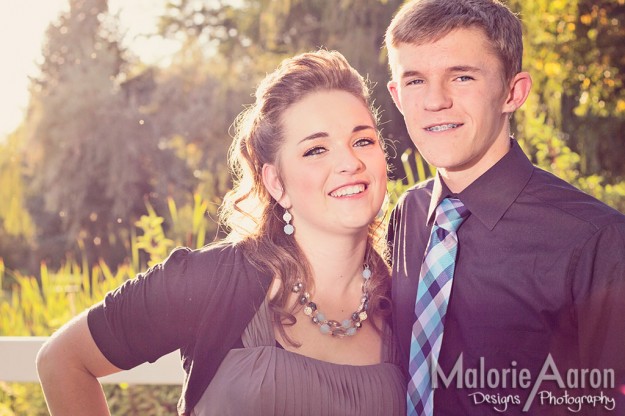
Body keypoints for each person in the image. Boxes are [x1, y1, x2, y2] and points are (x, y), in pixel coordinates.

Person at [36, 49, 407, 416]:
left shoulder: (411, 302)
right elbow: (63, 361)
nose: (349, 162)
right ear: (276, 183)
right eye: (316, 150)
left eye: (363, 141)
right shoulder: (210, 280)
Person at [385, 0, 625, 415]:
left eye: (461, 77)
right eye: (415, 81)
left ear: (513, 92)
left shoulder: (596, 240)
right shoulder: (409, 213)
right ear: (397, 95)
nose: (435, 100)